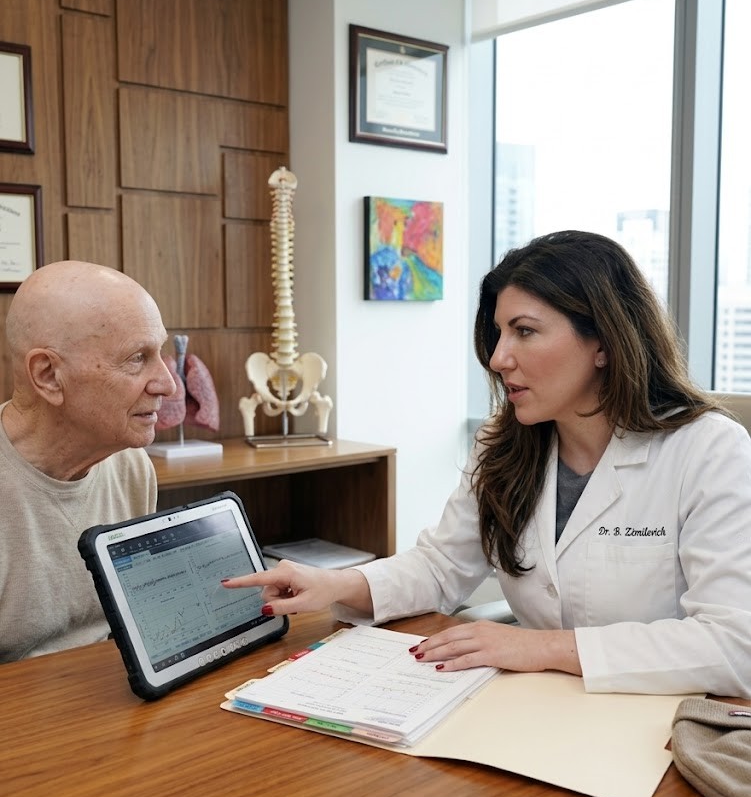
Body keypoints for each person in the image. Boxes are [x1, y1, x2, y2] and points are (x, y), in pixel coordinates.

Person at [223, 230, 751, 697]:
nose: (499, 358)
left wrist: (541, 648)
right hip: (538, 709)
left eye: (524, 331)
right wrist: (334, 585)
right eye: (499, 334)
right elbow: (441, 567)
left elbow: (733, 645)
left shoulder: (708, 450)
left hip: (664, 723)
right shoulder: (505, 444)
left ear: (604, 343)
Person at [0, 261, 176, 662]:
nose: (167, 383)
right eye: (136, 358)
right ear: (48, 376)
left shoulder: (131, 466)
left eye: (160, 352)